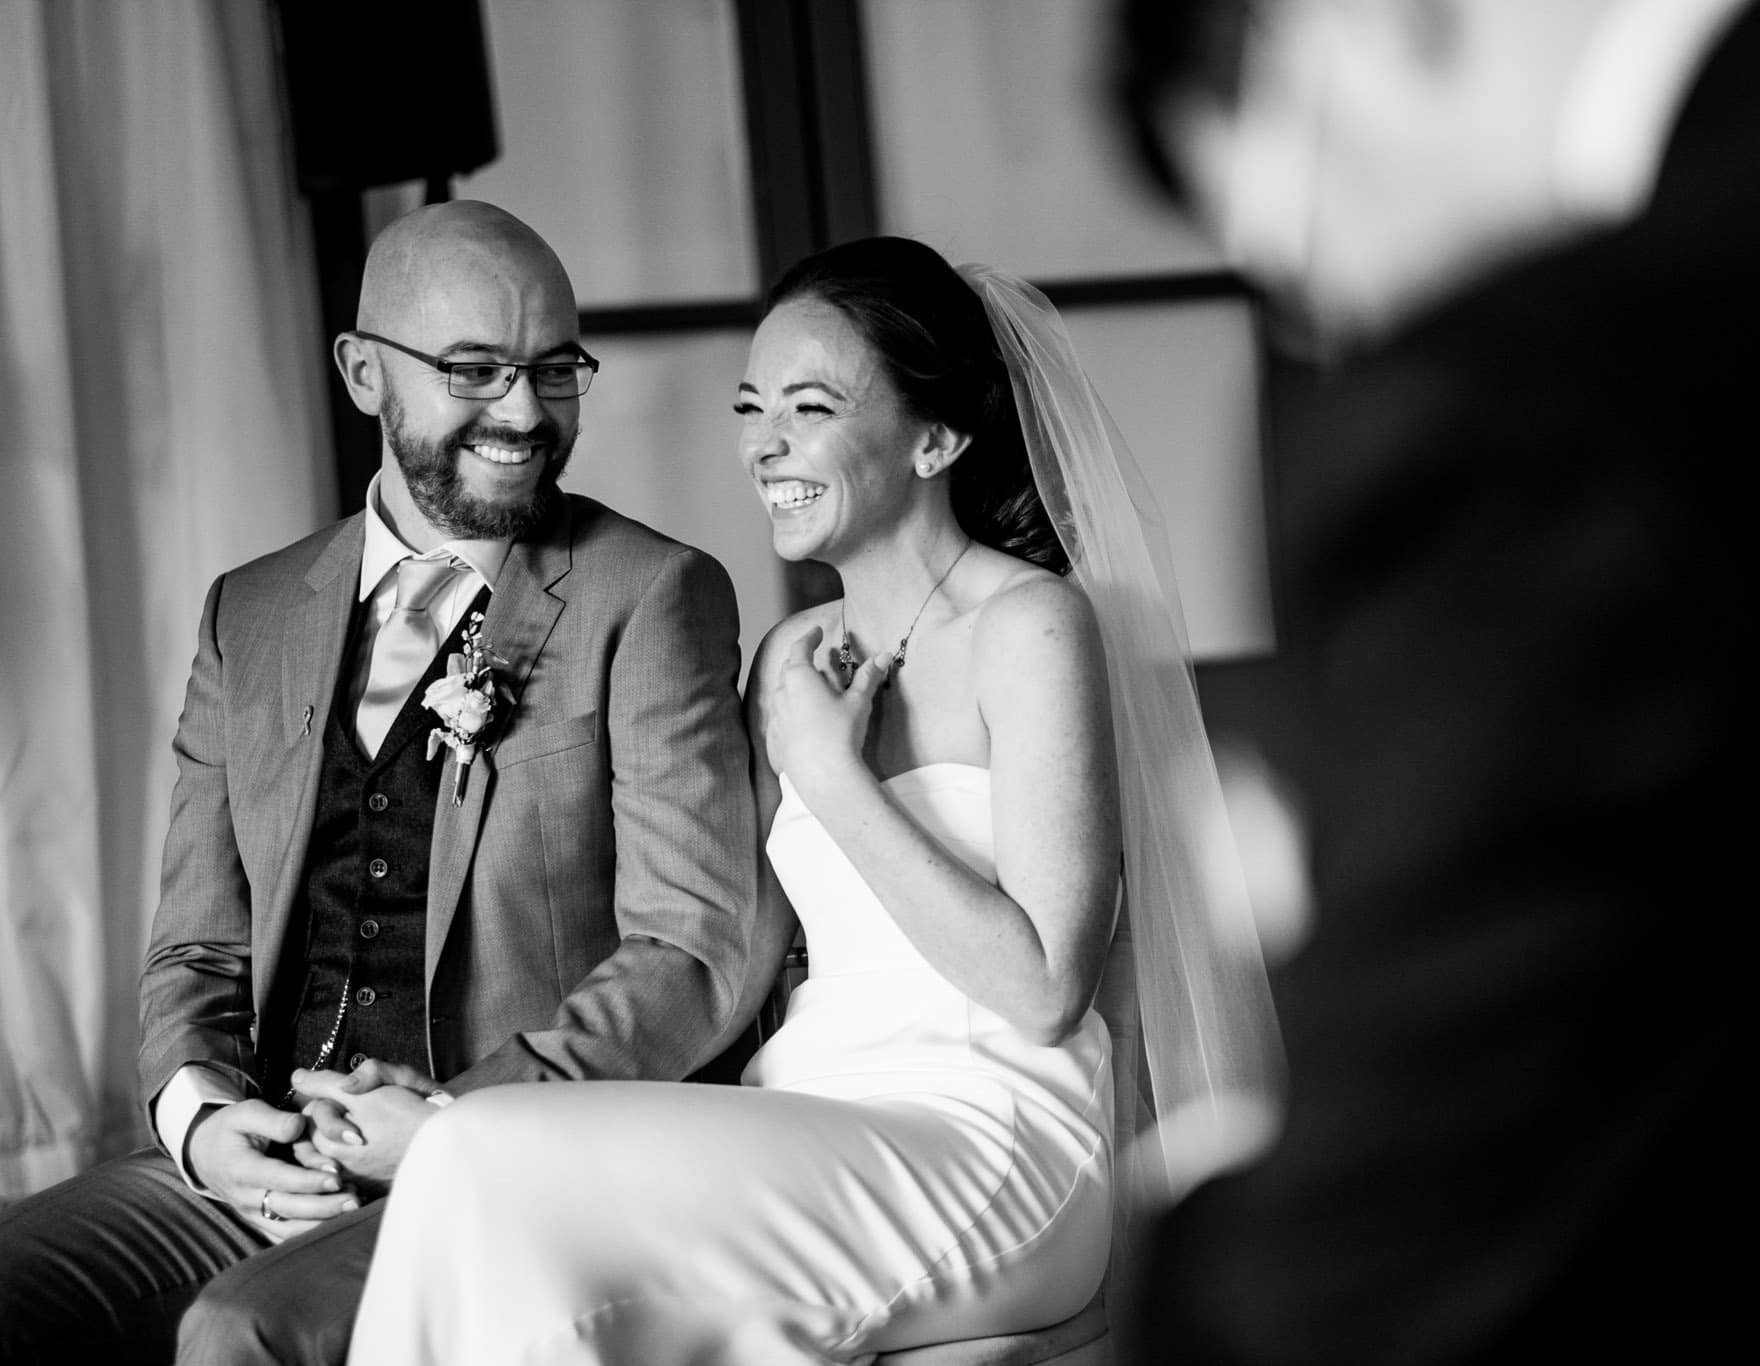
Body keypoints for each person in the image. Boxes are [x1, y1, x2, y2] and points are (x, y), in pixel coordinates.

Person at [1115, 0, 1760, 1361]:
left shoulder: (1547, 416)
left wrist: (1217, 1185)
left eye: (1293, 244)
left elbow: (1358, 1297)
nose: (1347, 312)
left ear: (1355, 29)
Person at [341, 235, 1282, 1364]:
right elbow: (728, 960)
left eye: (809, 406)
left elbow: (1042, 989)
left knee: (476, 1176)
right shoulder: (790, 656)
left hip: (989, 1133)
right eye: (751, 407)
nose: (764, 445)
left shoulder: (1027, 628)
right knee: (469, 1166)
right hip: (806, 1105)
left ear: (933, 439)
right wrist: (471, 1096)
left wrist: (835, 779)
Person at [0, 200, 771, 1366]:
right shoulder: (248, 614)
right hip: (255, 1159)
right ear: (364, 372)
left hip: (503, 1158)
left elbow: (697, 947)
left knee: (236, 1333)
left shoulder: (652, 594)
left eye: (554, 369)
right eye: (474, 369)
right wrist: (206, 1125)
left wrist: (450, 1124)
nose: (523, 411)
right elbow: (195, 950)